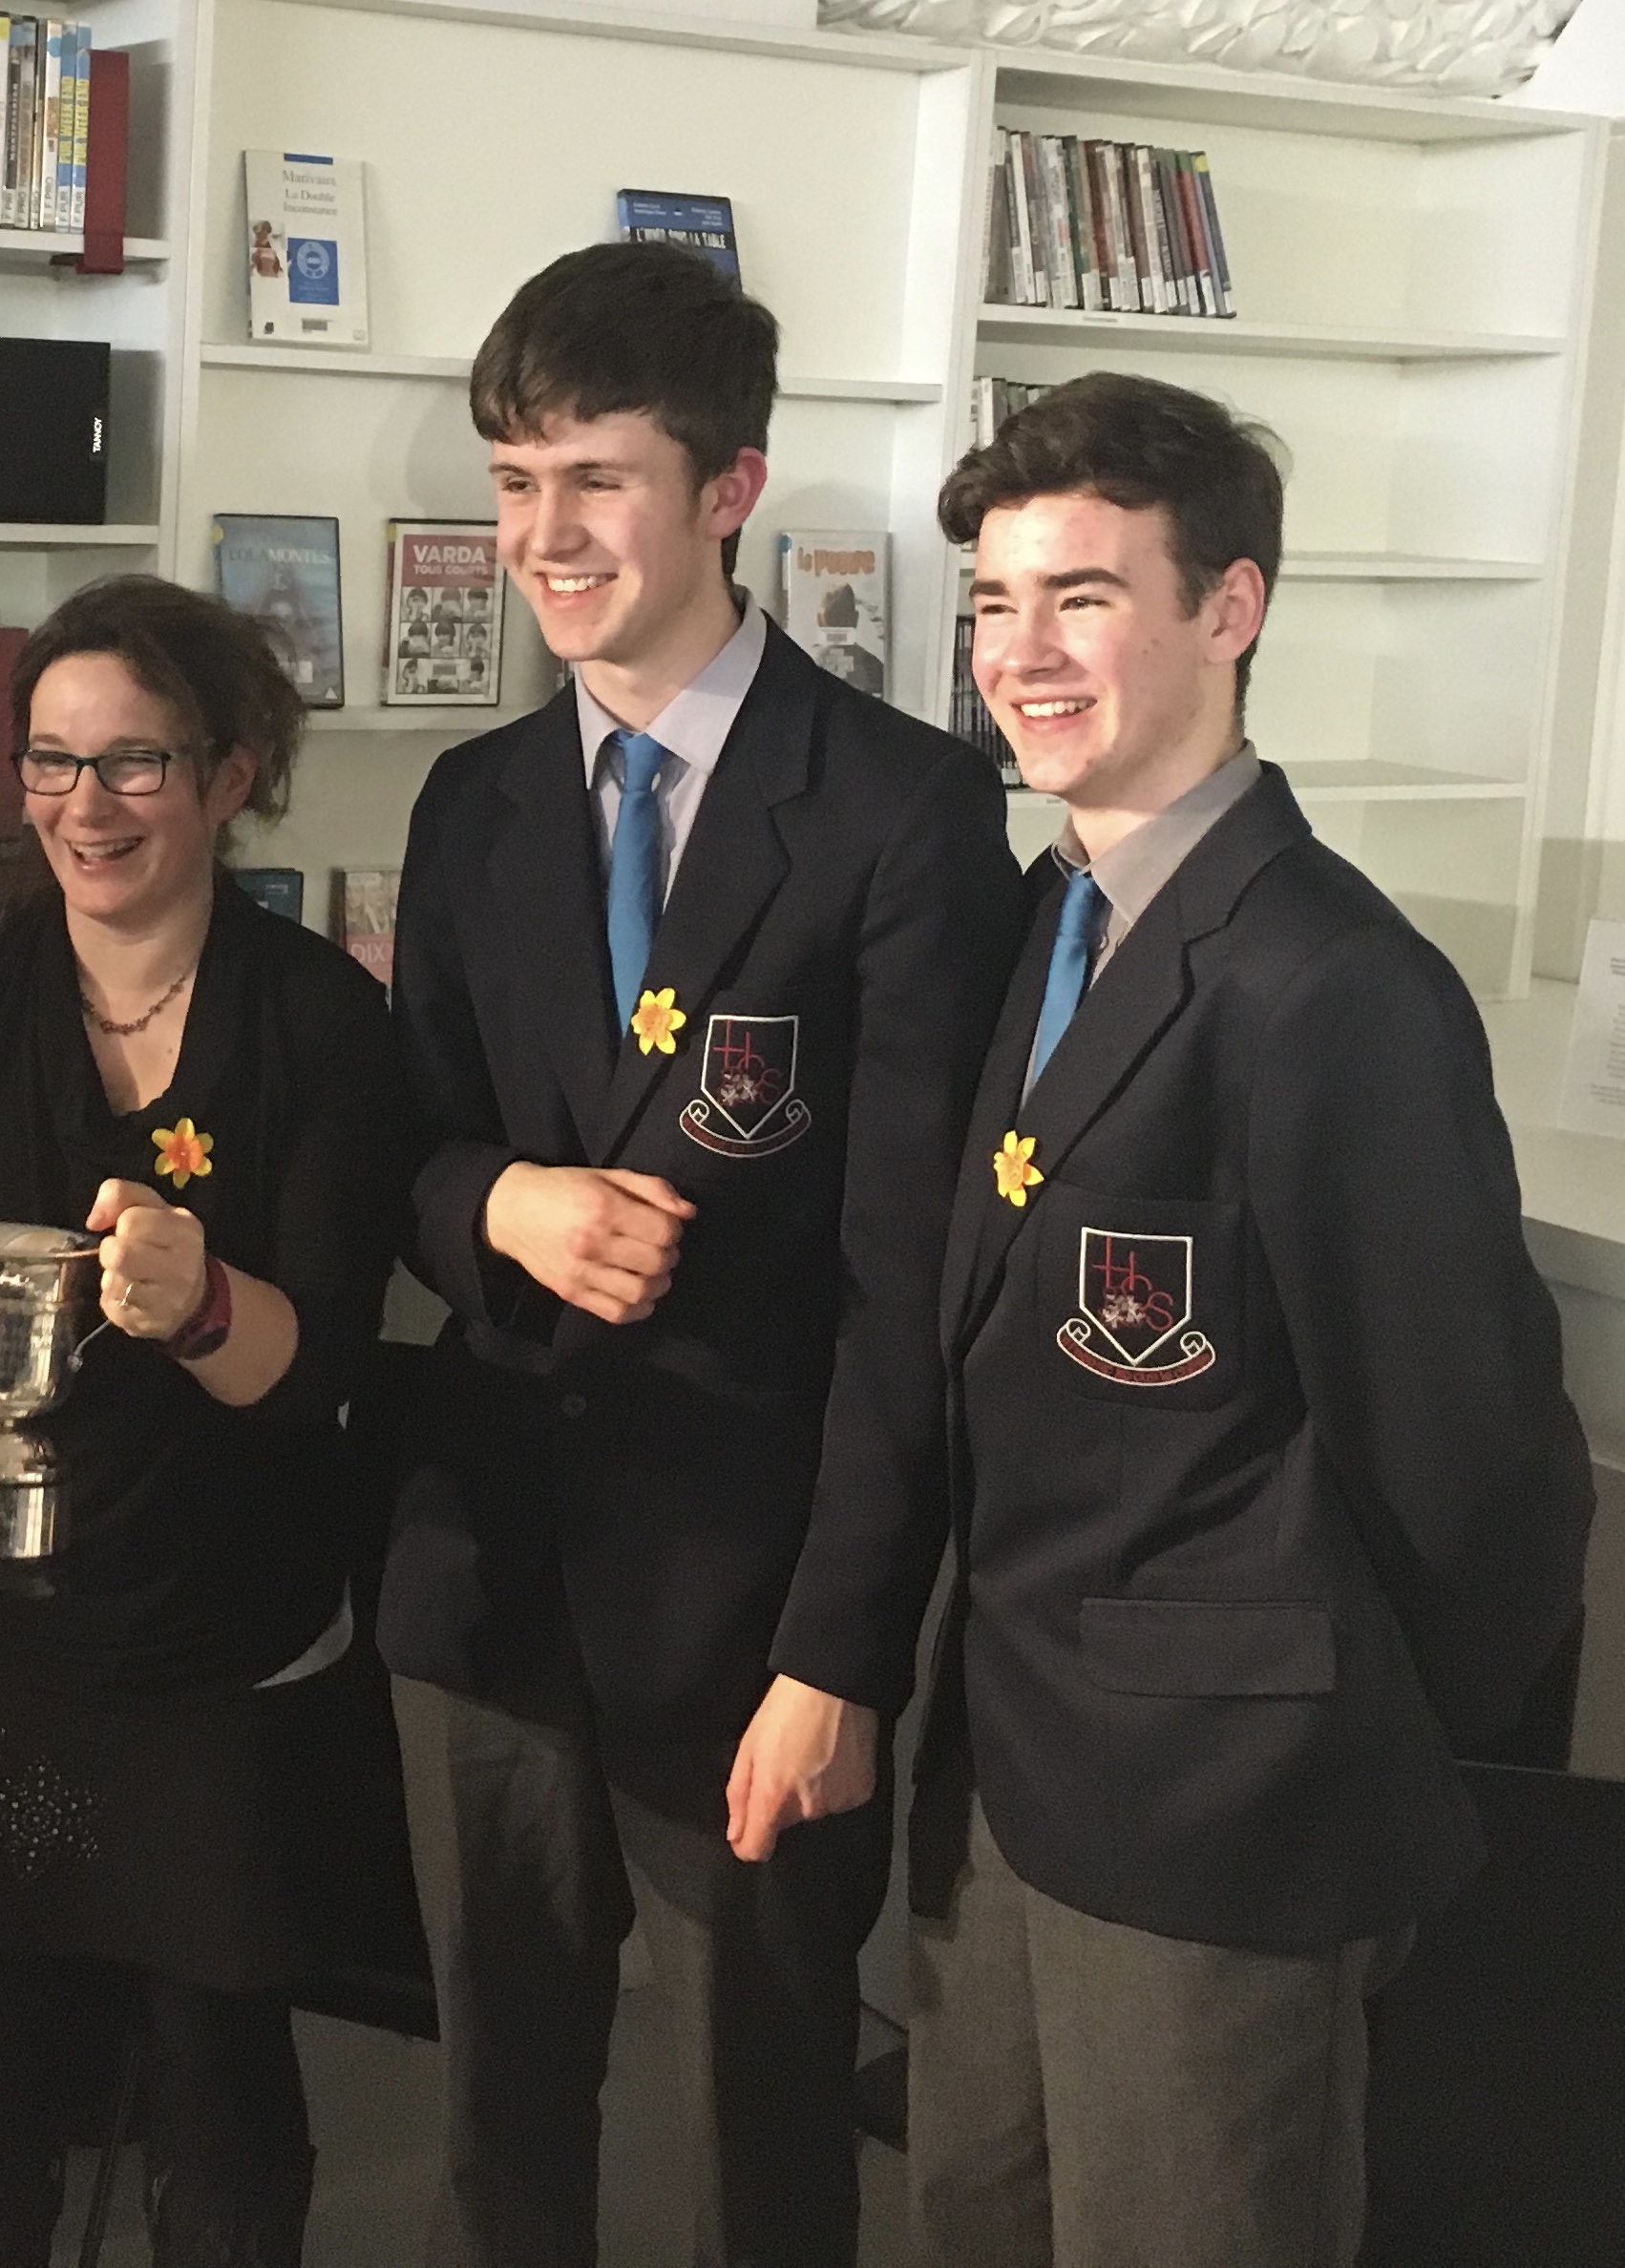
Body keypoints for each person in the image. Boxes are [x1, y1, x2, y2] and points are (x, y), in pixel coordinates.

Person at [378, 242, 1023, 2267]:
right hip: (485, 1571)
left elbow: (908, 1277)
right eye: (509, 482)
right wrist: (499, 1203)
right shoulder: (472, 803)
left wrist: (838, 1652)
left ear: (727, 487)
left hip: (750, 1611)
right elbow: (397, 1148)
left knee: (758, 2124)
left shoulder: (904, 814)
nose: (539, 537)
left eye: (591, 480)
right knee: (497, 2107)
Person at [908, 371, 1593, 2266]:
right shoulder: (1053, 922)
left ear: (1228, 608)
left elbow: (1473, 1475)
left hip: (1221, 1825)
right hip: (1017, 1776)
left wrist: (1326, 1737)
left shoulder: (1327, 982)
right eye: (988, 603)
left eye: (1079, 598)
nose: (1017, 655)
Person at [0, 575, 415, 2268]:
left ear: (230, 777)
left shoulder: (322, 1019)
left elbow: (327, 1383)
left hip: (218, 1655)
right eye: (52, 764)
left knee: (222, 2091)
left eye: (135, 765)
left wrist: (202, 1304)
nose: (86, 809)